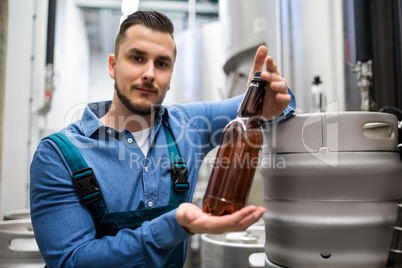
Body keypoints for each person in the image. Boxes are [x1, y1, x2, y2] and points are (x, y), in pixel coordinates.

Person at [30, 10, 295, 268]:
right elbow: (71, 261)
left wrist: (265, 97)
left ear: (170, 78)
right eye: (136, 58)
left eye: (162, 63)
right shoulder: (58, 155)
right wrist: (174, 226)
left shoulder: (190, 125)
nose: (149, 73)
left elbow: (279, 103)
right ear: (112, 66)